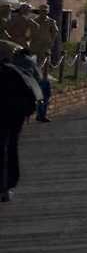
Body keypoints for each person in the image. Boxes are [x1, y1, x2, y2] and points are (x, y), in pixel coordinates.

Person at [0, 50, 45, 202]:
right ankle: (7, 186)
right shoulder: (18, 71)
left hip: (8, 113)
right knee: (10, 147)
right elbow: (37, 83)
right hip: (15, 114)